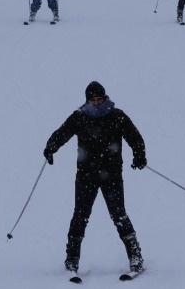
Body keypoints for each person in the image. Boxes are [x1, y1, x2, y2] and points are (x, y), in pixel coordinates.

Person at [43, 80, 147, 275]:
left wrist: (139, 155)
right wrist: (51, 148)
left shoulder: (117, 116)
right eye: (93, 100)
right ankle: (72, 260)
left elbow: (135, 136)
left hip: (112, 175)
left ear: (105, 98)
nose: (97, 103)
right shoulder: (79, 117)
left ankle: (135, 256)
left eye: (100, 99)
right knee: (80, 216)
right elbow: (62, 133)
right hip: (86, 175)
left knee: (119, 215)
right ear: (87, 100)